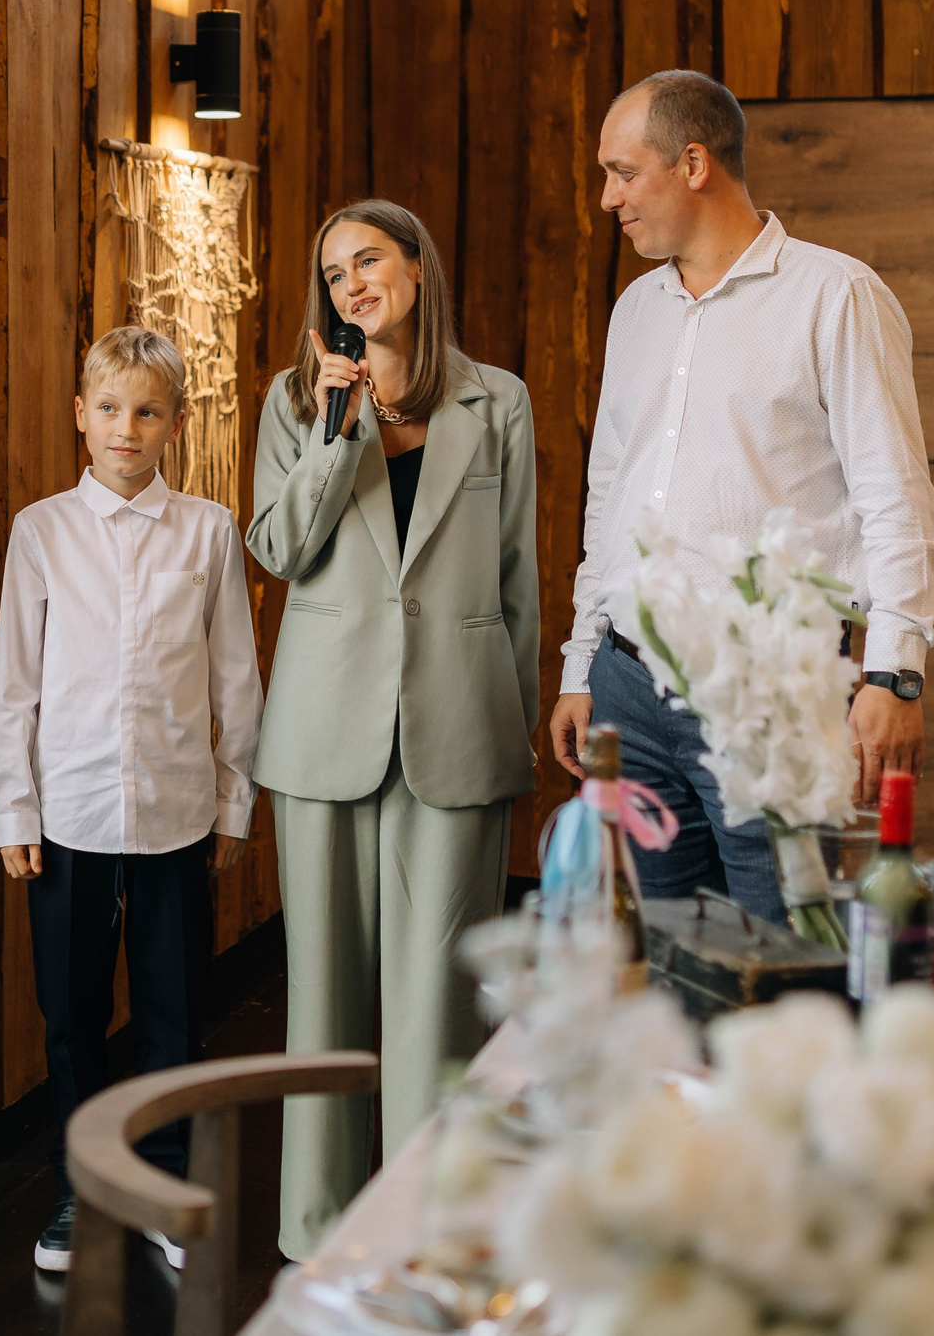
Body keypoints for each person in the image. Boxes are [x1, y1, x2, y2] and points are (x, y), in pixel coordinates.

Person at [548, 69, 934, 922]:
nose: (607, 197)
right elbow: (610, 494)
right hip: (628, 689)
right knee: (665, 962)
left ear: (693, 162)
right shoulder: (635, 311)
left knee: (789, 955)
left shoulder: (834, 295)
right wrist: (584, 660)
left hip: (776, 692)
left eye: (622, 172)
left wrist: (895, 673)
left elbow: (895, 495)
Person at [245, 200, 540, 1259]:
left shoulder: (496, 401)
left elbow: (516, 578)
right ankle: (317, 1233)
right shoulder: (293, 401)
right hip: (325, 727)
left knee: (438, 1005)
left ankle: (429, 1230)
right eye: (332, 274)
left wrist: (517, 725)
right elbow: (277, 547)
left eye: (367, 260)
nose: (350, 285)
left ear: (416, 267)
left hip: (459, 723)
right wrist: (333, 431)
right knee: (321, 998)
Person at [0, 326, 265, 1275]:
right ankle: (78, 1188)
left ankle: (161, 1180)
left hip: (177, 810)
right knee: (69, 1014)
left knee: (173, 1012)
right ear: (81, 414)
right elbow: (13, 685)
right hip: (67, 815)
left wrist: (235, 804)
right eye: (109, 408)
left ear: (175, 423)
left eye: (148, 411)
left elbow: (237, 679)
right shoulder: (42, 532)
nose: (126, 428)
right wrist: (13, 810)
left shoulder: (210, 532)